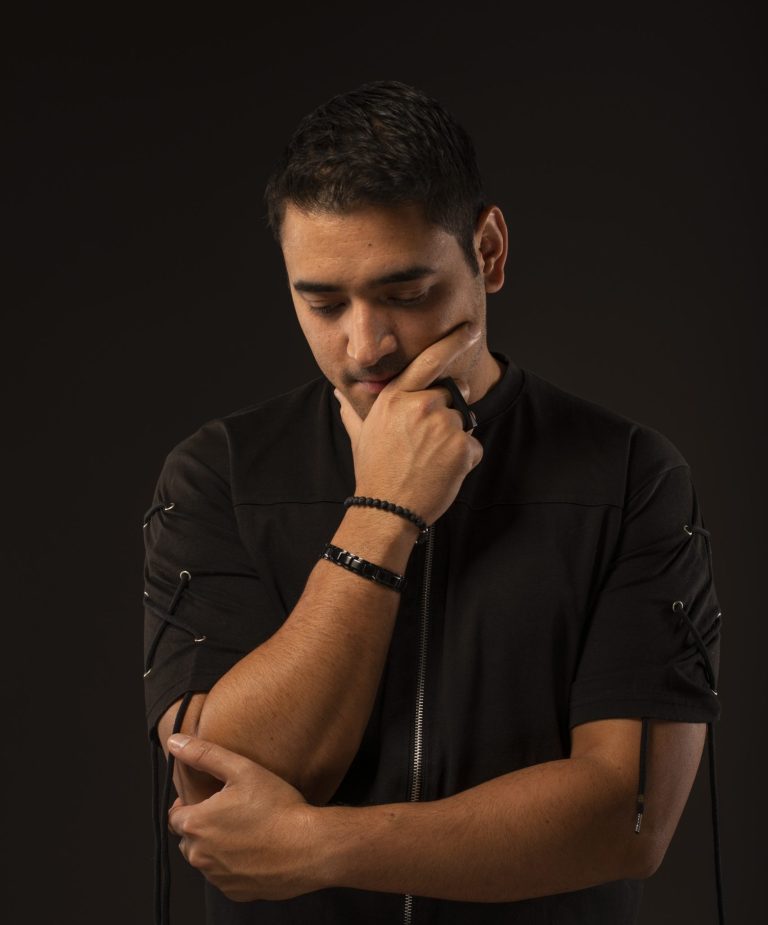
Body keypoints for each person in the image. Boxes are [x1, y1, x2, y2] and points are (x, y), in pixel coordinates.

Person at [142, 80, 724, 925]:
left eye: (406, 293)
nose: (365, 344)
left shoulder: (631, 476)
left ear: (488, 250)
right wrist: (384, 507)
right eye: (323, 302)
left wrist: (323, 844)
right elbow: (214, 777)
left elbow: (624, 817)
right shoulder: (216, 475)